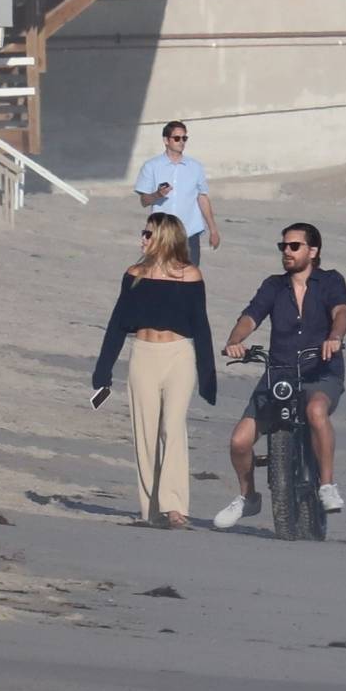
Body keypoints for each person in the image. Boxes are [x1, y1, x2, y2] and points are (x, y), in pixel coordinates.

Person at [213, 223, 346, 529]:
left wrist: (335, 337)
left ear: (312, 251)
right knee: (239, 441)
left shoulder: (330, 281)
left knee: (316, 411)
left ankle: (327, 485)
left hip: (322, 372)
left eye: (294, 246)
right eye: (283, 247)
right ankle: (248, 497)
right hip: (280, 373)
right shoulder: (274, 286)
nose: (286, 252)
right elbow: (251, 316)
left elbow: (341, 313)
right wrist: (234, 341)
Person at [93, 213, 217, 528]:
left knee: (172, 428)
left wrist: (208, 376)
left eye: (147, 234)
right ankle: (151, 509)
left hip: (178, 356)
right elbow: (117, 324)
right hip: (143, 356)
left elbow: (201, 327)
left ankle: (175, 507)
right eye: (143, 233)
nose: (142, 239)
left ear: (163, 237)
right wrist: (102, 371)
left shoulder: (190, 276)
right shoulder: (134, 274)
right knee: (145, 433)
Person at [134, 121, 221, 266]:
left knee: (189, 278)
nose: (181, 142)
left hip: (189, 233)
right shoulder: (151, 166)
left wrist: (213, 230)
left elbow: (202, 197)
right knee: (159, 278)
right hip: (161, 234)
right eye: (177, 138)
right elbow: (144, 201)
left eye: (184, 138)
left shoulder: (195, 167)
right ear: (166, 140)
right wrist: (157, 195)